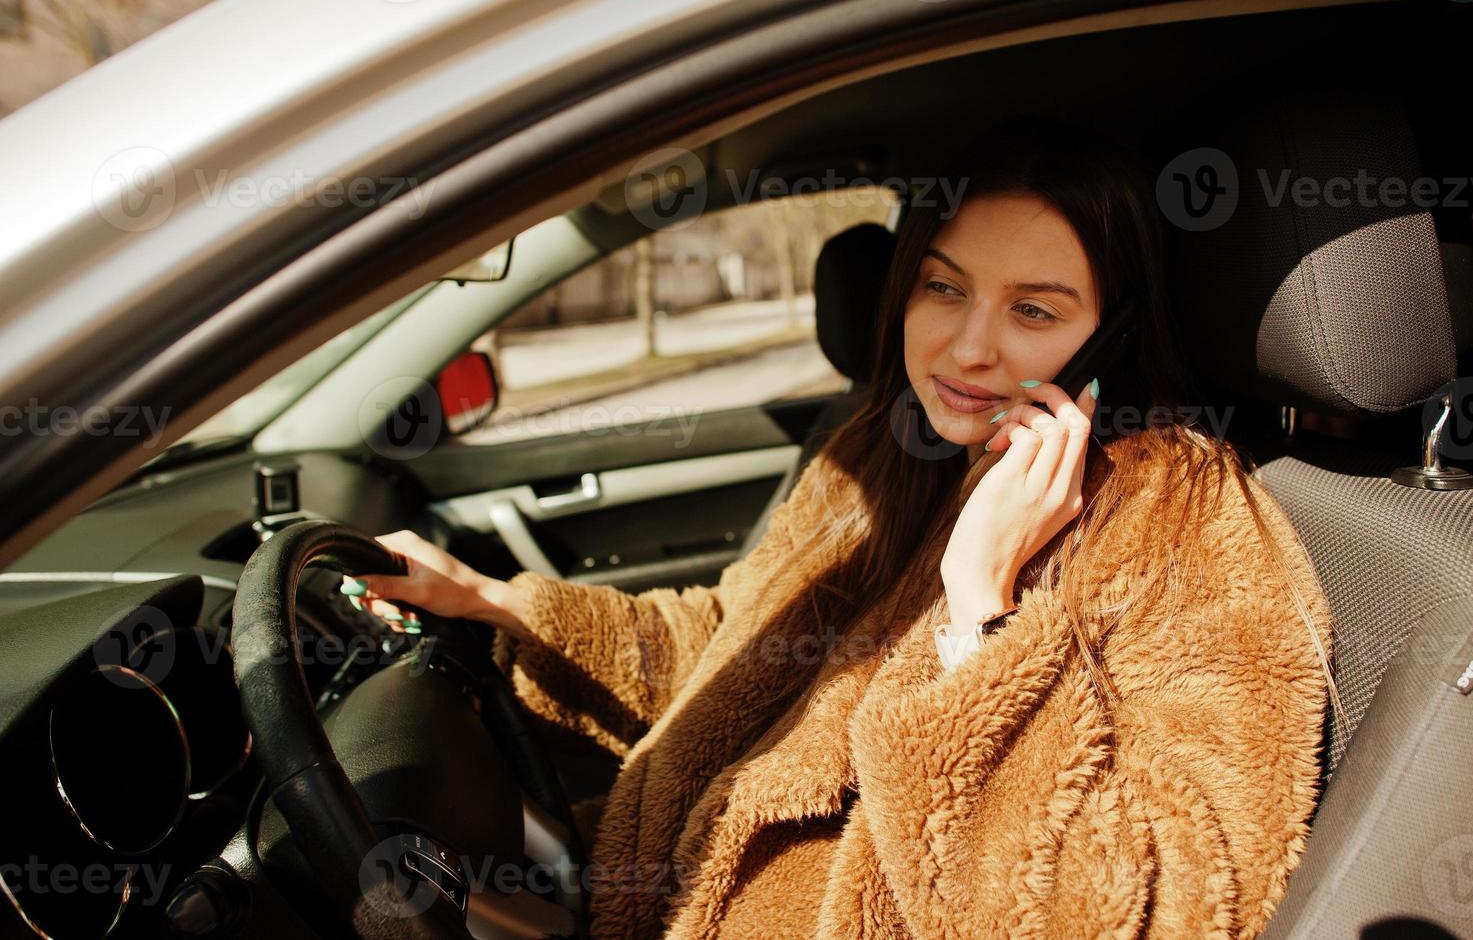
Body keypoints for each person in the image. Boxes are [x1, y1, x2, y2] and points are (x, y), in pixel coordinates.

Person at [342, 119, 1340, 938]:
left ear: (1112, 334)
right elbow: (727, 647)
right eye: (944, 287)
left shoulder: (1184, 521)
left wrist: (978, 616)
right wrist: (491, 603)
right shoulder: (881, 451)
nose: (968, 345)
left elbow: (1160, 907)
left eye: (1034, 310)